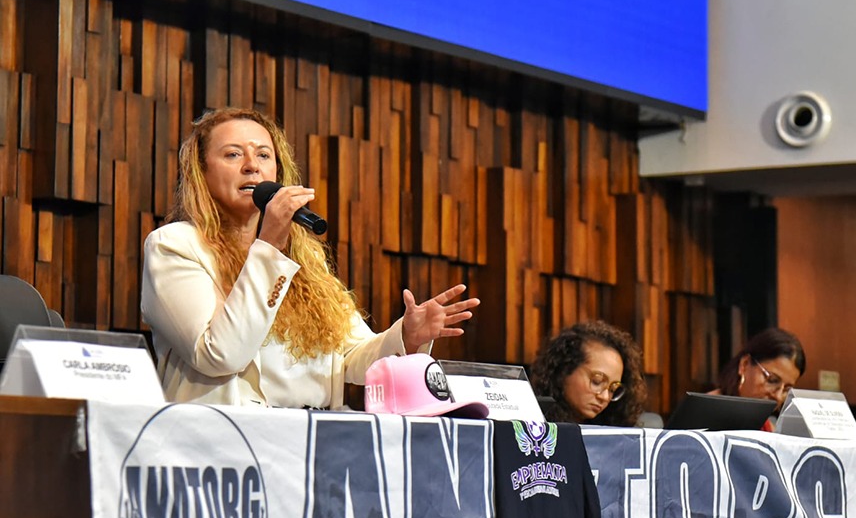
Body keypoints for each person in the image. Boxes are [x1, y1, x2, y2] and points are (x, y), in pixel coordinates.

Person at [140, 107, 479, 408]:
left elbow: (353, 358)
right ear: (202, 171)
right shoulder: (174, 246)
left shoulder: (305, 258)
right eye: (232, 155)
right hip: (228, 453)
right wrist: (270, 245)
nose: (251, 167)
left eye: (263, 155)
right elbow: (219, 355)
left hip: (313, 444)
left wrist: (406, 335)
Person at [530, 321, 647, 426]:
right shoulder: (529, 425)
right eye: (597, 382)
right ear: (564, 370)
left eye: (613, 389)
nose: (605, 397)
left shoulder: (614, 439)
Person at [710, 327, 806, 428]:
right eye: (772, 380)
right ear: (745, 364)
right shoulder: (706, 412)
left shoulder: (769, 426)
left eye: (787, 389)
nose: (778, 396)